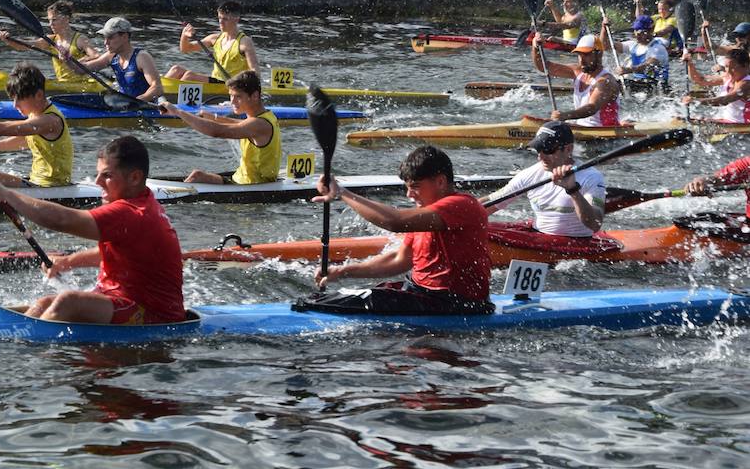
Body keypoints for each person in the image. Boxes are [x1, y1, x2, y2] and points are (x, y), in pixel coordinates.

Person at [0, 135, 185, 325]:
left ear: (134, 178)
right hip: (120, 300)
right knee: (43, 303)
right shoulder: (144, 201)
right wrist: (68, 262)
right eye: (98, 174)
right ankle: (16, 336)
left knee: (69, 302)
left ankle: (24, 346)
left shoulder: (132, 213)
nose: (97, 182)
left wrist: (7, 195)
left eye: (107, 175)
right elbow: (119, 253)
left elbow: (62, 220)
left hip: (154, 315)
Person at [308, 145, 493, 315]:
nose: (409, 195)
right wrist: (343, 271)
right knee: (349, 296)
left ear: (440, 182)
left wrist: (342, 193)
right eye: (407, 187)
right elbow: (399, 259)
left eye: (415, 187)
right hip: (422, 293)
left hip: (457, 303)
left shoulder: (462, 205)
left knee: (350, 301)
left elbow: (394, 222)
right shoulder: (426, 213)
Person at [488, 121, 605, 238]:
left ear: (568, 149)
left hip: (577, 241)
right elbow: (492, 202)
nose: (541, 157)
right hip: (539, 235)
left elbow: (595, 224)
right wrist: (475, 210)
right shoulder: (530, 174)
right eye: (538, 149)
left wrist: (573, 190)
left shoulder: (591, 177)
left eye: (548, 150)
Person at [161, 70, 280, 185]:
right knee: (197, 175)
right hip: (241, 179)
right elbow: (240, 124)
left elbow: (216, 131)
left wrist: (178, 112)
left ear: (254, 96)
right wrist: (214, 118)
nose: (232, 102)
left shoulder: (259, 124)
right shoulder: (265, 116)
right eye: (231, 96)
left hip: (252, 185)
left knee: (195, 178)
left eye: (238, 96)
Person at [0, 0, 98, 83]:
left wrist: (75, 61)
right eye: (49, 20)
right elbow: (25, 46)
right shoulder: (51, 40)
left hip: (82, 85)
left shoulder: (80, 39)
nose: (50, 24)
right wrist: (8, 40)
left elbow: (96, 56)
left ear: (66, 19)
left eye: (54, 20)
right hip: (62, 83)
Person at [532, 34, 621, 125]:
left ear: (599, 54)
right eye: (579, 55)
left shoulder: (605, 81)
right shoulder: (577, 71)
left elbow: (592, 107)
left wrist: (565, 115)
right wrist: (536, 47)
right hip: (581, 127)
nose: (581, 60)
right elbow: (544, 67)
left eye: (586, 55)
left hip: (603, 131)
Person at [165, 1, 257, 83]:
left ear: (236, 19)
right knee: (175, 70)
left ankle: (171, 95)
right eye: (219, 18)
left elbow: (255, 71)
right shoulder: (214, 38)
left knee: (189, 76)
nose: (221, 22)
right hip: (215, 81)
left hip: (231, 84)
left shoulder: (244, 42)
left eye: (225, 19)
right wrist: (185, 35)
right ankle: (159, 92)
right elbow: (185, 49)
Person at [80, 17, 163, 101]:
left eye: (110, 37)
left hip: (144, 107)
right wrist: (71, 60)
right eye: (105, 37)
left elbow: (157, 88)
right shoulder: (111, 56)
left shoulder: (141, 57)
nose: (106, 42)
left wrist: (137, 101)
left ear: (124, 37)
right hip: (124, 104)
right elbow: (82, 69)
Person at [684, 46, 750, 122]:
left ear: (745, 66)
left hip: (743, 125)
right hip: (727, 121)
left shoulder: (746, 84)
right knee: (680, 119)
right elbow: (700, 80)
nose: (728, 71)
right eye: (726, 67)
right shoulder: (727, 77)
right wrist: (690, 63)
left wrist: (696, 101)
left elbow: (724, 100)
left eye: (733, 68)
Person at [618, 14, 669, 90]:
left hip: (656, 86)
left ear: (651, 30)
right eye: (636, 31)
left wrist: (628, 70)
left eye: (641, 32)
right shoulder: (633, 45)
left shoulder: (658, 48)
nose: (637, 35)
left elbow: (647, 66)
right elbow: (606, 46)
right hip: (640, 83)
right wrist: (604, 28)